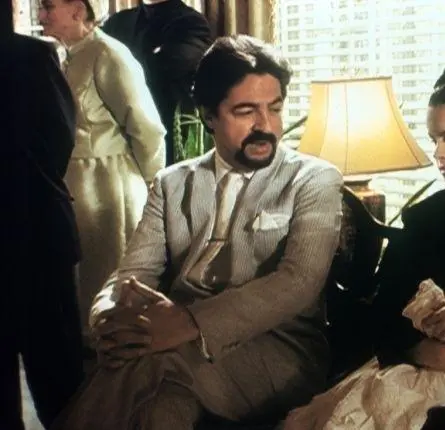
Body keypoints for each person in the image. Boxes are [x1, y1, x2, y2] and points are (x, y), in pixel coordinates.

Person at [50, 35, 343, 430]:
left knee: (148, 361)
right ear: (208, 116)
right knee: (162, 412)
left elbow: (298, 282)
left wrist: (188, 322)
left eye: (274, 108)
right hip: (172, 348)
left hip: (277, 348)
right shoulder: (172, 183)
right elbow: (132, 273)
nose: (266, 126)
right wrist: (107, 318)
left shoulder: (314, 179)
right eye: (245, 111)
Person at [282, 81, 445, 430]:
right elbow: (382, 318)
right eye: (434, 140)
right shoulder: (424, 222)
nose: (439, 154)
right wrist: (420, 350)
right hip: (417, 377)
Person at [39, 0, 166, 340]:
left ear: (78, 10)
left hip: (108, 184)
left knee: (106, 276)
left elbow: (146, 127)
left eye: (48, 7)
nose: (41, 16)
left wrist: (154, 181)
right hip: (73, 185)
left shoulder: (110, 54)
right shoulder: (61, 56)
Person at [0, 1, 84, 429]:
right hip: (36, 227)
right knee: (58, 370)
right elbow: (60, 135)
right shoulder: (31, 56)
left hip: (29, 228)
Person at [102, 0, 213, 165]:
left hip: (165, 139)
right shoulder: (117, 22)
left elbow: (162, 69)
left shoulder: (192, 23)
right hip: (116, 140)